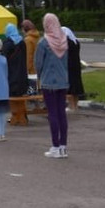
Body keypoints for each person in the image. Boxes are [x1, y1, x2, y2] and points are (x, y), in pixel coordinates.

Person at [35, 13, 70, 158]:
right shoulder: (64, 41)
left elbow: (38, 64)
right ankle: (63, 146)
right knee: (62, 114)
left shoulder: (44, 42)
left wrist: (39, 76)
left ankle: (55, 146)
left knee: (53, 114)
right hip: (63, 81)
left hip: (48, 82)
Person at [3, 22, 29, 126]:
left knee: (12, 95)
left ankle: (15, 115)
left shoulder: (8, 43)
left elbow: (4, 58)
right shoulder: (22, 42)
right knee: (21, 95)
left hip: (11, 73)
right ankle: (22, 115)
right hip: (22, 73)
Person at [62, 26, 85, 111]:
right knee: (76, 87)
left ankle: (71, 106)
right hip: (76, 66)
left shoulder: (66, 42)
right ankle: (75, 105)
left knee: (70, 87)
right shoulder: (76, 42)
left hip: (69, 66)